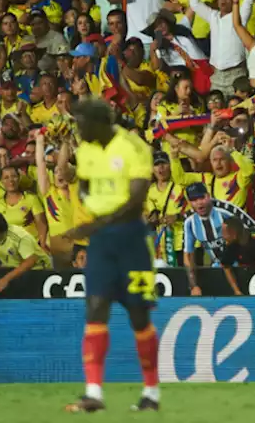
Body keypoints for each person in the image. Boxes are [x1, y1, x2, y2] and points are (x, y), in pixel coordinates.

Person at [59, 99, 161, 413]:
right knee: (95, 306)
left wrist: (97, 222)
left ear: (100, 123)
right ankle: (93, 393)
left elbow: (137, 197)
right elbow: (85, 186)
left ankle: (151, 393)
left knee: (139, 316)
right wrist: (92, 204)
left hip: (132, 239)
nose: (78, 130)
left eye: (82, 124)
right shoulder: (87, 149)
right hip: (101, 242)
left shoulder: (133, 146)